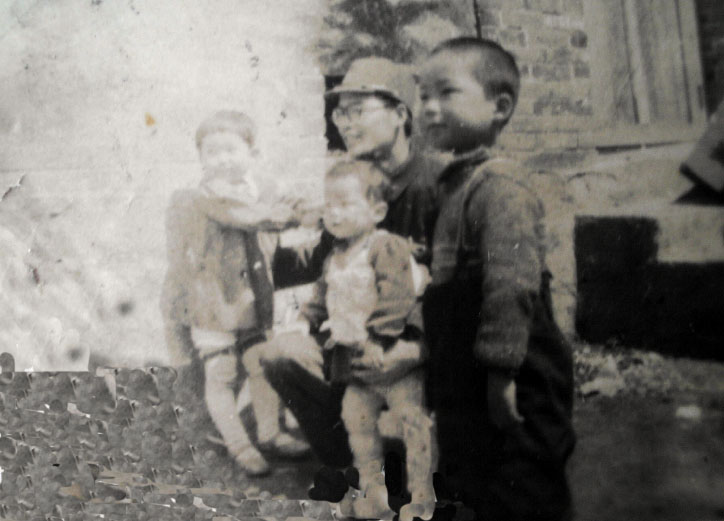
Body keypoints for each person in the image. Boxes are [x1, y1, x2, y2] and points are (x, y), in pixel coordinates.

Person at [261, 57, 445, 510]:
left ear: (400, 114)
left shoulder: (437, 184)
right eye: (340, 113)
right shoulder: (349, 181)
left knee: (426, 420)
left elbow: (457, 287)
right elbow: (330, 272)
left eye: (358, 110)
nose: (344, 123)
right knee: (280, 354)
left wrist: (417, 345)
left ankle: (427, 482)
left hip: (424, 346)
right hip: (360, 345)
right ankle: (353, 469)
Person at [416, 37, 576, 521]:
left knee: (523, 482)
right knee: (469, 479)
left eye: (446, 92)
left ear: (499, 107)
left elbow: (511, 282)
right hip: (467, 372)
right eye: (423, 96)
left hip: (514, 369)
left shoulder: (500, 187)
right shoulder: (453, 185)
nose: (429, 107)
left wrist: (502, 371)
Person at [160, 110, 309, 477]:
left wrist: (308, 209)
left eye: (231, 150)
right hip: (213, 300)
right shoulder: (202, 196)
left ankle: (270, 434)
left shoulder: (263, 188)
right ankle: (240, 445)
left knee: (261, 365)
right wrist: (288, 214)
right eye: (212, 152)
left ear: (252, 153)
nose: (222, 159)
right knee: (222, 372)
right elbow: (247, 216)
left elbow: (292, 204)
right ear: (200, 158)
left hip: (255, 298)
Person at [299, 160, 435, 521]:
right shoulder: (336, 256)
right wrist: (306, 318)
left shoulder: (384, 247)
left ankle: (422, 496)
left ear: (377, 211)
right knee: (357, 421)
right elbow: (323, 294)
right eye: (329, 205)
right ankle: (374, 492)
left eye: (345, 204)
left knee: (411, 421)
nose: (334, 213)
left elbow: (396, 295)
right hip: (355, 361)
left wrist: (378, 338)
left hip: (390, 352)